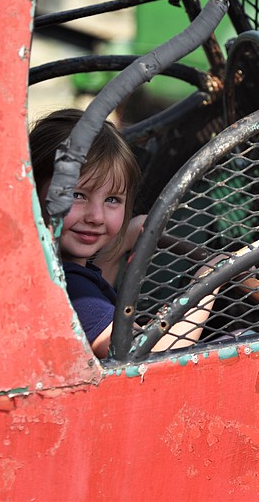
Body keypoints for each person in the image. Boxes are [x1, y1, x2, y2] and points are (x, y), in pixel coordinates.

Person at [29, 108, 220, 359]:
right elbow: (144, 357)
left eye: (112, 199)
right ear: (32, 192)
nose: (96, 216)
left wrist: (119, 245)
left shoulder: (61, 270)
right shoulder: (69, 288)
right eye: (77, 195)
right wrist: (211, 277)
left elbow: (99, 298)